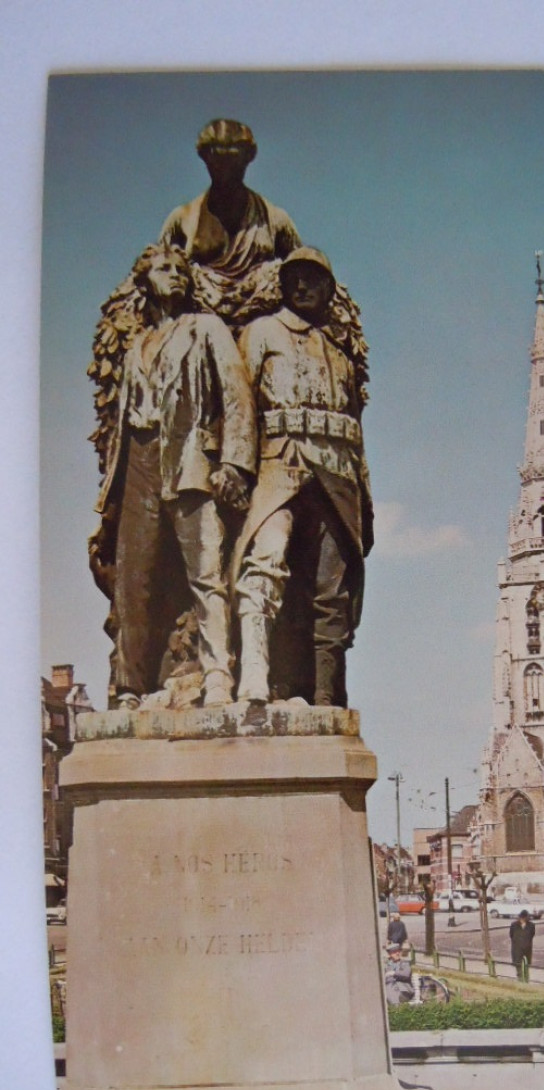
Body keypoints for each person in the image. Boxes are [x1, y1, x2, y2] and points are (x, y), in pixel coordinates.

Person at [90, 244, 257, 707]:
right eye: (164, 269)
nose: (175, 276)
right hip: (139, 464)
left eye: (180, 269)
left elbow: (236, 393)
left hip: (189, 461)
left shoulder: (205, 329)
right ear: (146, 281)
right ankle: (129, 686)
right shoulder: (134, 348)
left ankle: (219, 672)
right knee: (133, 581)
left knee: (206, 572)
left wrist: (235, 462)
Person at [234, 246, 374, 706]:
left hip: (335, 478)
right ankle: (258, 678)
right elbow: (239, 408)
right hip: (279, 468)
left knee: (331, 590)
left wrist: (365, 506)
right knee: (267, 563)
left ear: (330, 291)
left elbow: (356, 437)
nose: (303, 286)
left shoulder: (339, 354)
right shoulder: (260, 335)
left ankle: (326, 696)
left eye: (314, 279)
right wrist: (234, 468)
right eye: (295, 277)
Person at [160, 119, 301, 326]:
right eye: (217, 160)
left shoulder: (274, 219)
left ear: (247, 159)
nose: (225, 169)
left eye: (233, 160)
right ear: (206, 159)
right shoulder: (182, 219)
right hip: (200, 322)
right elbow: (156, 271)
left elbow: (303, 270)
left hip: (263, 321)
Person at [509, 909, 535, 979]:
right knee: (518, 966)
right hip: (517, 949)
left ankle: (526, 980)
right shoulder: (514, 925)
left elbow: (532, 935)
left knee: (526, 966)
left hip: (527, 949)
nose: (523, 919)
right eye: (522, 918)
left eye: (525, 918)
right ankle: (520, 979)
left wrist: (527, 943)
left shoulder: (531, 925)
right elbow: (511, 935)